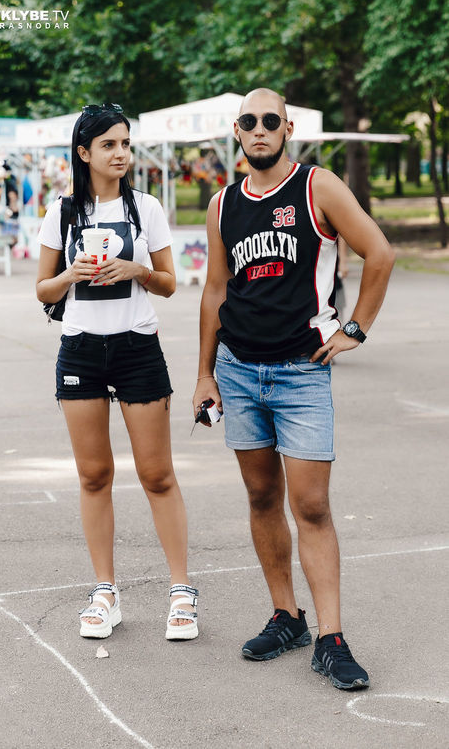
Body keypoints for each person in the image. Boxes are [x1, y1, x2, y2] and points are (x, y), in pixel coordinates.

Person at [193, 88, 394, 689]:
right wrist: (205, 374)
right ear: (236, 131)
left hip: (300, 371)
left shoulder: (317, 186)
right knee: (261, 498)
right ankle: (287, 617)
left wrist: (355, 328)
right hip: (237, 370)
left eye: (270, 121)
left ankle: (331, 638)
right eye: (248, 122)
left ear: (288, 128)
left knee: (311, 506)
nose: (259, 130)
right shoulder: (223, 204)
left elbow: (380, 253)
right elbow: (215, 291)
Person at [36, 103, 198, 641]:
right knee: (93, 475)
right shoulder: (62, 213)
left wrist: (137, 271)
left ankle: (181, 592)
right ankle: (105, 592)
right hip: (80, 350)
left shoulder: (145, 208)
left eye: (125, 143)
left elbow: (170, 283)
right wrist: (70, 274)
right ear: (84, 153)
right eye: (108, 145)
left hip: (137, 347)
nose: (121, 153)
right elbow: (42, 289)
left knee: (157, 475)